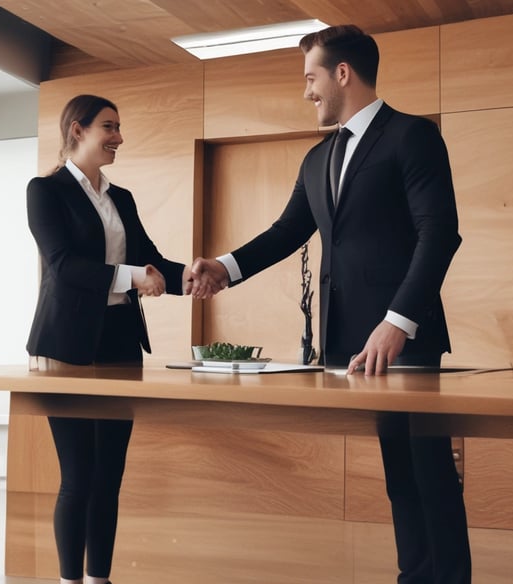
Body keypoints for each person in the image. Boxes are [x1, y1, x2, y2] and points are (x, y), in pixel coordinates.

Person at [190, 25, 471, 583]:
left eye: (311, 77)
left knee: (429, 472)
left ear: (342, 72)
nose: (307, 91)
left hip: (403, 340)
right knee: (398, 475)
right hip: (347, 342)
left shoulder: (412, 136)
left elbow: (439, 233)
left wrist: (399, 322)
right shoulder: (318, 158)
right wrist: (225, 267)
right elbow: (286, 231)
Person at [26, 94, 190, 584]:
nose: (118, 137)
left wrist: (207, 275)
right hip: (65, 349)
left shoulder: (122, 199)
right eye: (109, 127)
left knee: (109, 477)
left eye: (119, 127)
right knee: (78, 477)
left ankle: (100, 579)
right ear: (77, 130)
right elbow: (63, 265)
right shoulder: (45, 191)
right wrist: (132, 277)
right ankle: (68, 581)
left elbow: (152, 262)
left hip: (120, 347)